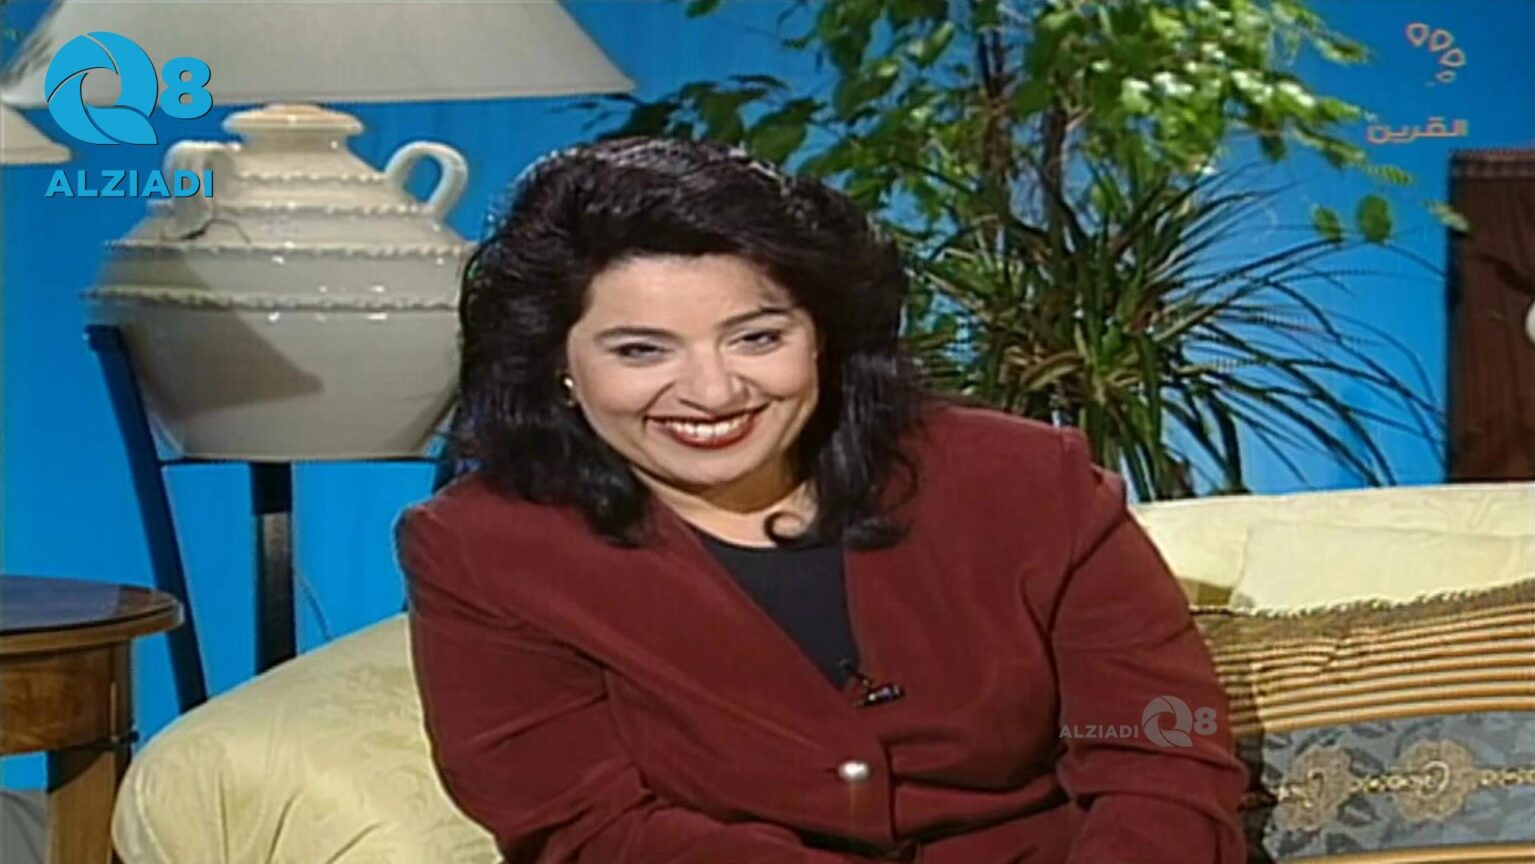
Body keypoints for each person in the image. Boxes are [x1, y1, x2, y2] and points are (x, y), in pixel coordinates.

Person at [394, 136, 1248, 864]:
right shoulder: (483, 551)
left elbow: (1163, 749)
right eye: (642, 351)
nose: (713, 391)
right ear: (558, 365)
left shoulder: (1027, 480)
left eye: (757, 337)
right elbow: (587, 830)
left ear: (823, 336)